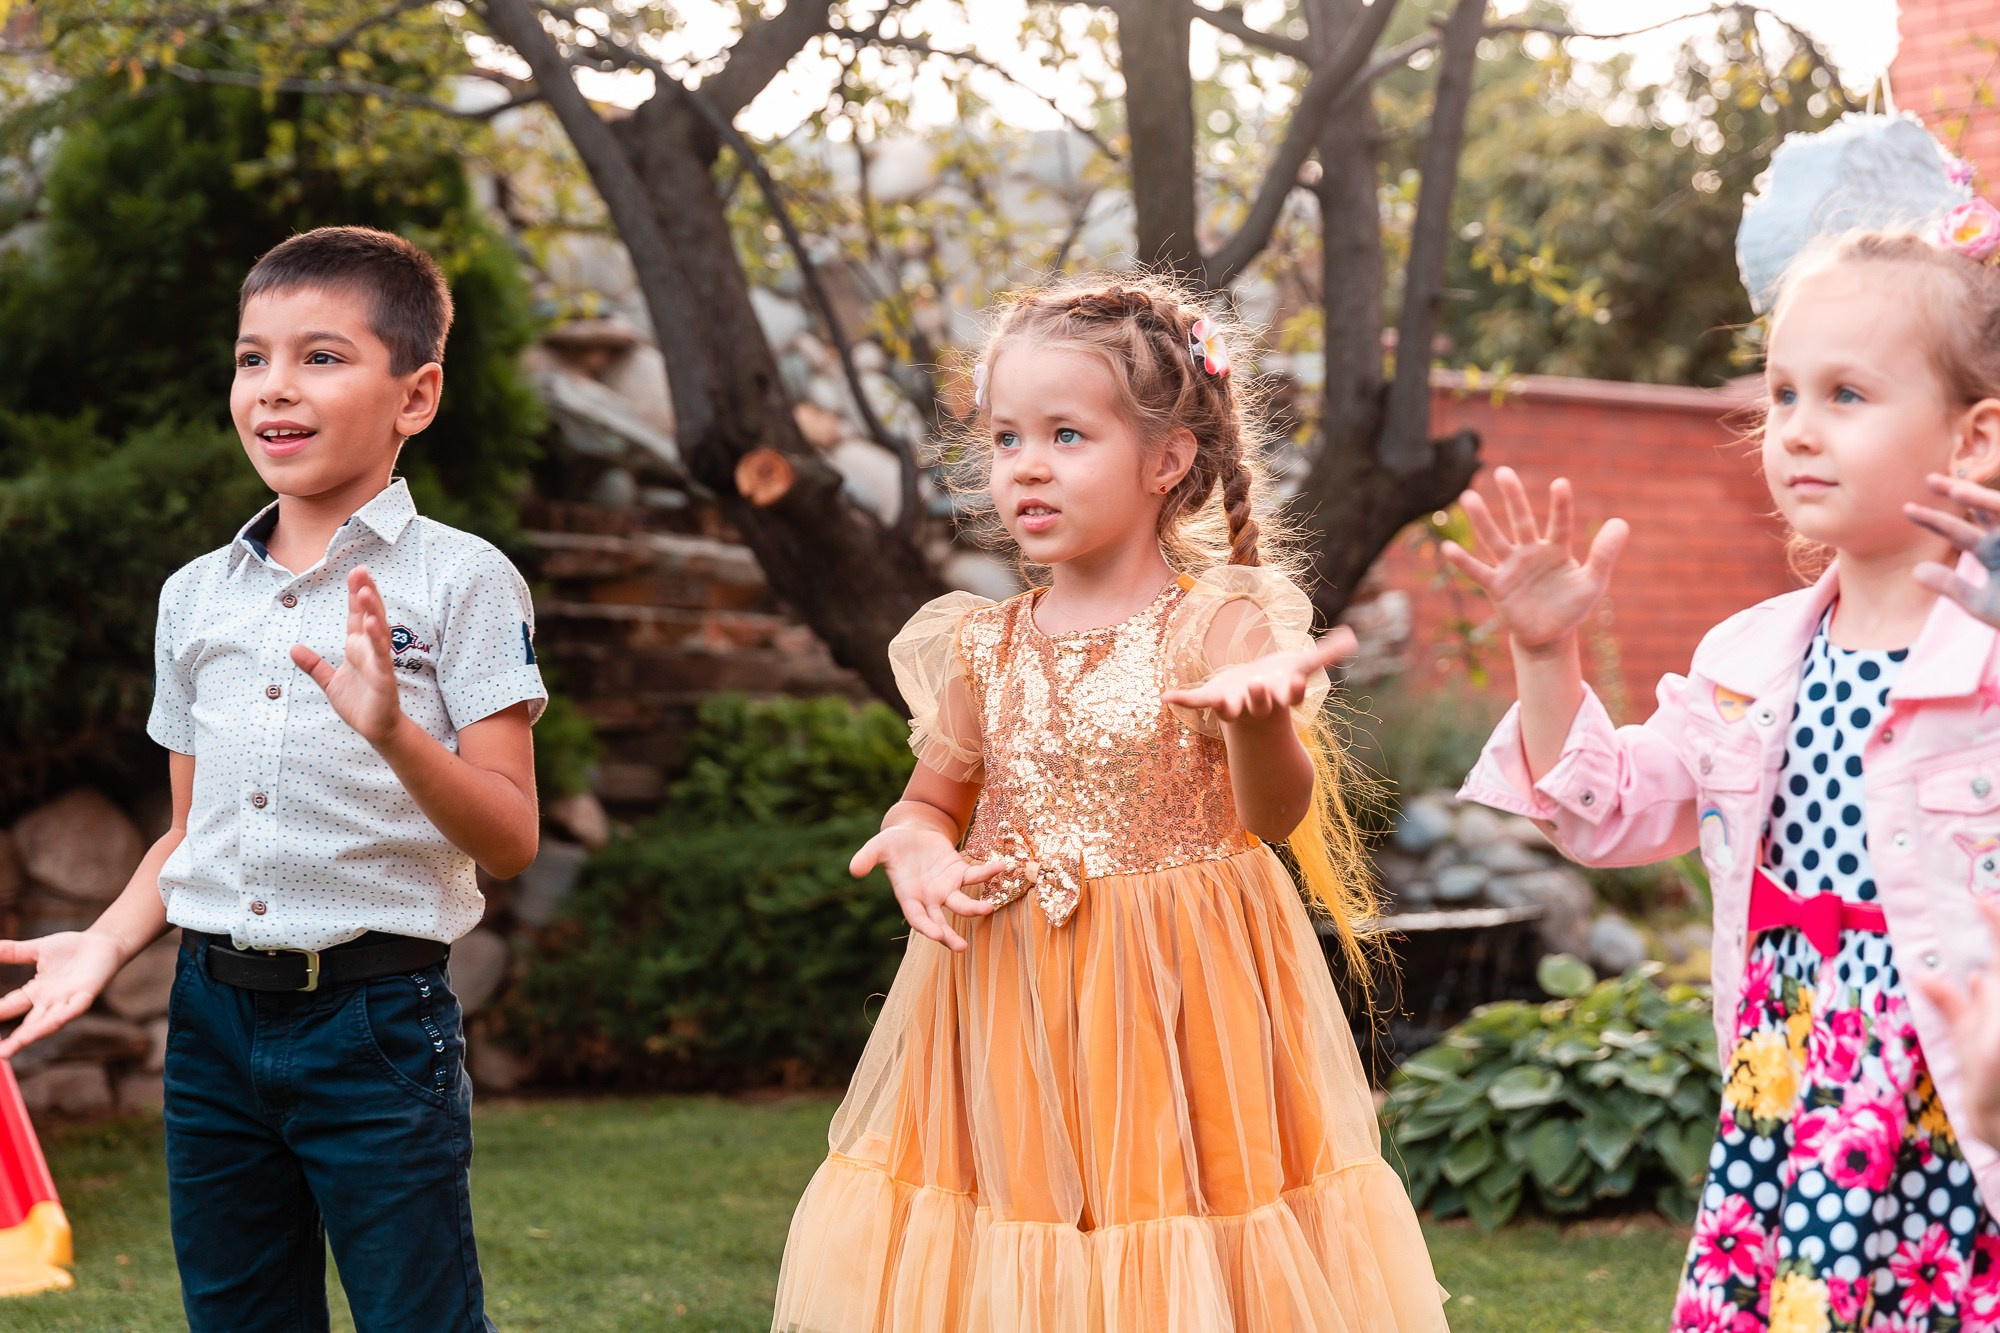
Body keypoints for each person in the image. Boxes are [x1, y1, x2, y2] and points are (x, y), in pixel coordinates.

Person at [770, 275, 1447, 1332]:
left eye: (1067, 435)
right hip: (1005, 999)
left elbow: (1272, 815)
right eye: (1004, 438)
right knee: (1015, 1229)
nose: (1025, 465)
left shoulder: (1218, 627)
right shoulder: (980, 645)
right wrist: (917, 848)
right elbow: (927, 803)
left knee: (1171, 1227)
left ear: (1166, 459)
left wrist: (1259, 724)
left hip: (1182, 1002)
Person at [1453, 224, 2000, 1331]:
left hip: (1954, 1087)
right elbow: (1605, 812)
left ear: (1973, 434)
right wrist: (1545, 656)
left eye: (1846, 395)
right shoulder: (1744, 659)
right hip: (1786, 1081)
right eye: (1782, 393)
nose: (1795, 429)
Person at [0, 226, 546, 1332]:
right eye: (252, 358)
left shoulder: (463, 580)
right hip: (210, 1026)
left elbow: (511, 836)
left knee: (419, 1319)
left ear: (417, 394)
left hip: (378, 1025)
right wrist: (103, 943)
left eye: (322, 357)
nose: (274, 389)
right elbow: (188, 834)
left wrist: (397, 736)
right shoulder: (193, 596)